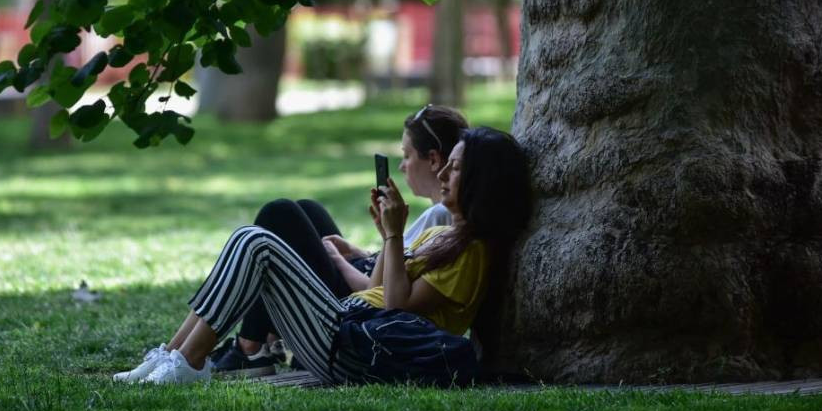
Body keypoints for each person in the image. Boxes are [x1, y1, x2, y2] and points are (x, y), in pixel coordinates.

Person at [112, 125, 531, 386]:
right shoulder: (442, 233)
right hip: (346, 326)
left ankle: (189, 361)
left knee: (257, 240)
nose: (442, 174)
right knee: (253, 237)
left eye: (454, 169)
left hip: (356, 349)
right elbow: (379, 288)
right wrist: (388, 233)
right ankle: (175, 355)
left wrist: (397, 234)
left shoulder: (473, 253)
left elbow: (395, 308)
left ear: (479, 182)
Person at [208, 105, 469, 377]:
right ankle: (268, 340)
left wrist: (337, 260)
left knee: (280, 215)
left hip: (361, 316)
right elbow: (402, 262)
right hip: (367, 293)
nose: (402, 166)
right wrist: (364, 253)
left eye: (407, 155)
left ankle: (250, 348)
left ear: (434, 160)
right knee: (309, 210)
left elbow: (380, 292)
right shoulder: (438, 217)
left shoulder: (441, 217)